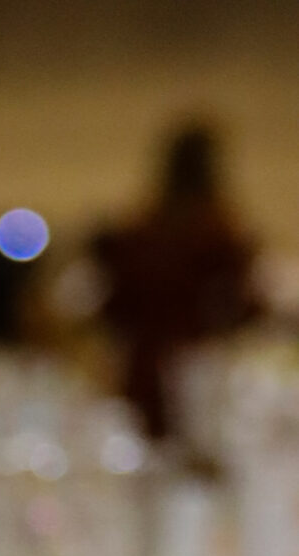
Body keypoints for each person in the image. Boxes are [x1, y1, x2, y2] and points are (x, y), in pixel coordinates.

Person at [94, 122, 262, 438]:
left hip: (144, 363)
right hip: (197, 365)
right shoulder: (219, 232)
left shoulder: (139, 228)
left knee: (148, 444)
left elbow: (115, 307)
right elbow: (241, 305)